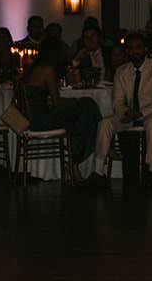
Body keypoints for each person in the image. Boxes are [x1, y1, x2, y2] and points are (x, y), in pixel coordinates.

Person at [84, 32, 152, 186]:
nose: (135, 51)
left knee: (151, 121)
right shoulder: (122, 71)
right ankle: (98, 172)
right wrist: (127, 113)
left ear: (145, 49)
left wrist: (140, 113)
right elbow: (117, 102)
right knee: (105, 123)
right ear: (127, 51)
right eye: (131, 48)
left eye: (138, 48)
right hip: (130, 114)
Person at [21, 38, 100, 182]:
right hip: (40, 120)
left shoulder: (32, 69)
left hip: (31, 119)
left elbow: (40, 98)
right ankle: (105, 143)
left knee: (77, 121)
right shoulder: (48, 70)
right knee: (88, 103)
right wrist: (75, 102)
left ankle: (73, 166)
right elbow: (57, 101)